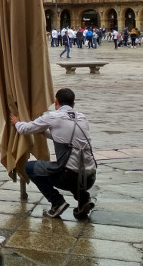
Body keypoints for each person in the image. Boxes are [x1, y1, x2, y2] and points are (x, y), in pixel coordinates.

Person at [10, 88, 96, 219]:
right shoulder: (82, 117)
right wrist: (43, 131)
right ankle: (84, 199)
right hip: (90, 177)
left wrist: (16, 122)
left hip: (69, 177)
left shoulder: (52, 116)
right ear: (73, 104)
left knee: (30, 167)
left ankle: (57, 202)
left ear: (56, 102)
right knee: (72, 166)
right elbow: (64, 137)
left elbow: (25, 129)